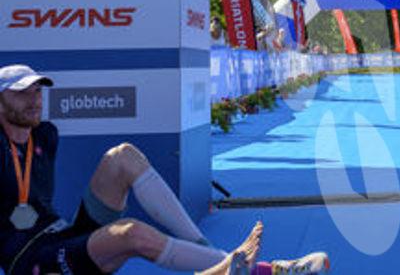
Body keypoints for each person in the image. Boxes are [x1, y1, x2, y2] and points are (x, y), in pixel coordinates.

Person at [0, 64, 329, 275]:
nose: (34, 99)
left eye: (37, 91)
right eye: (21, 93)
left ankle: (213, 256)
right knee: (130, 233)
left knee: (123, 157)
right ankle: (266, 271)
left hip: (63, 234)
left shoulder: (45, 134)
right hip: (30, 258)